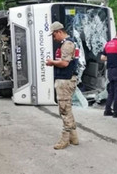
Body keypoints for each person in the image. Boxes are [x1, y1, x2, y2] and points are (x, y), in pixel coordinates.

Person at [46, 21, 79, 150]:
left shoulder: (67, 44)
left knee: (64, 109)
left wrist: (52, 62)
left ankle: (65, 139)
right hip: (65, 79)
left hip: (65, 80)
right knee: (67, 108)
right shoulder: (67, 43)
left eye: (54, 35)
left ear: (59, 32)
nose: (54, 38)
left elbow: (65, 63)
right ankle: (73, 136)